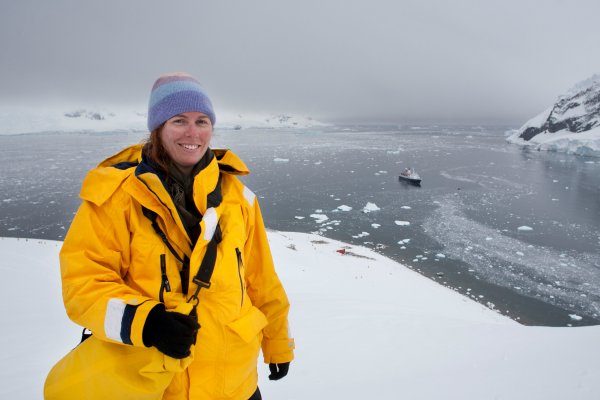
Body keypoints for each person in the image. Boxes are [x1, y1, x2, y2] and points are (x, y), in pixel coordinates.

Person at [56, 72, 294, 399]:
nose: (192, 133)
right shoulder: (116, 199)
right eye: (179, 120)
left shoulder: (240, 199)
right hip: (158, 385)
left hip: (235, 382)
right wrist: (147, 323)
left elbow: (261, 279)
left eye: (202, 121)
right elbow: (82, 284)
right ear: (158, 128)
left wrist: (277, 342)